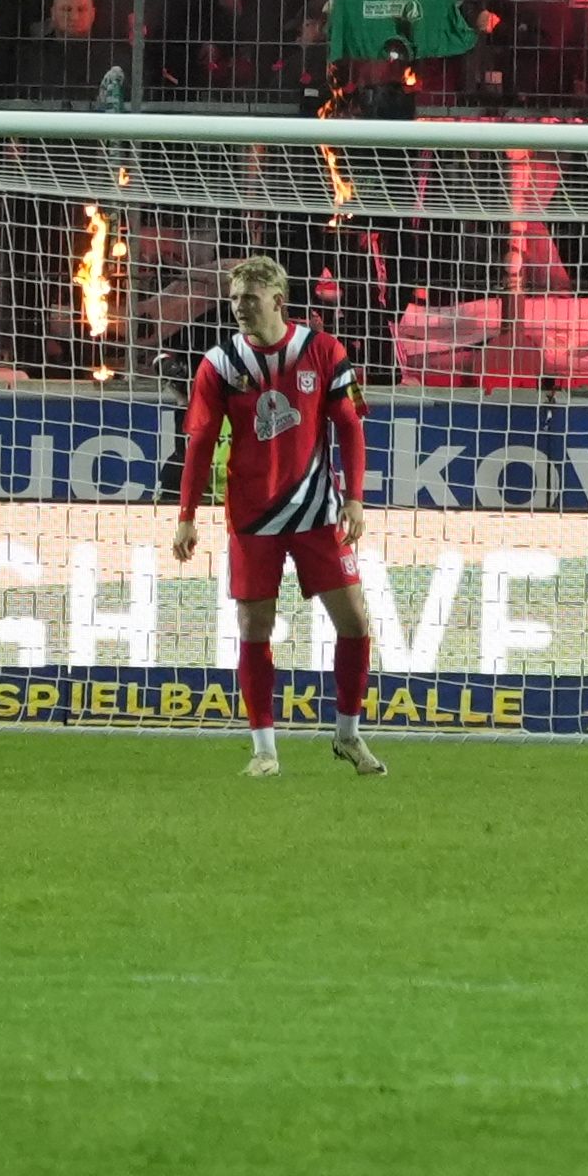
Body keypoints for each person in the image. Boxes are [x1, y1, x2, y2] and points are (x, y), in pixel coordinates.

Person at [171, 252, 386, 780]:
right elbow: (199, 444)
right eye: (234, 298)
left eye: (250, 298)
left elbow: (351, 427)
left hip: (318, 510)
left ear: (277, 301)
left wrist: (354, 498)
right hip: (252, 516)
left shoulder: (323, 350)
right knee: (254, 626)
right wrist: (186, 515)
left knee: (356, 621)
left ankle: (348, 736)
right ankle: (264, 749)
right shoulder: (219, 364)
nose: (240, 307)